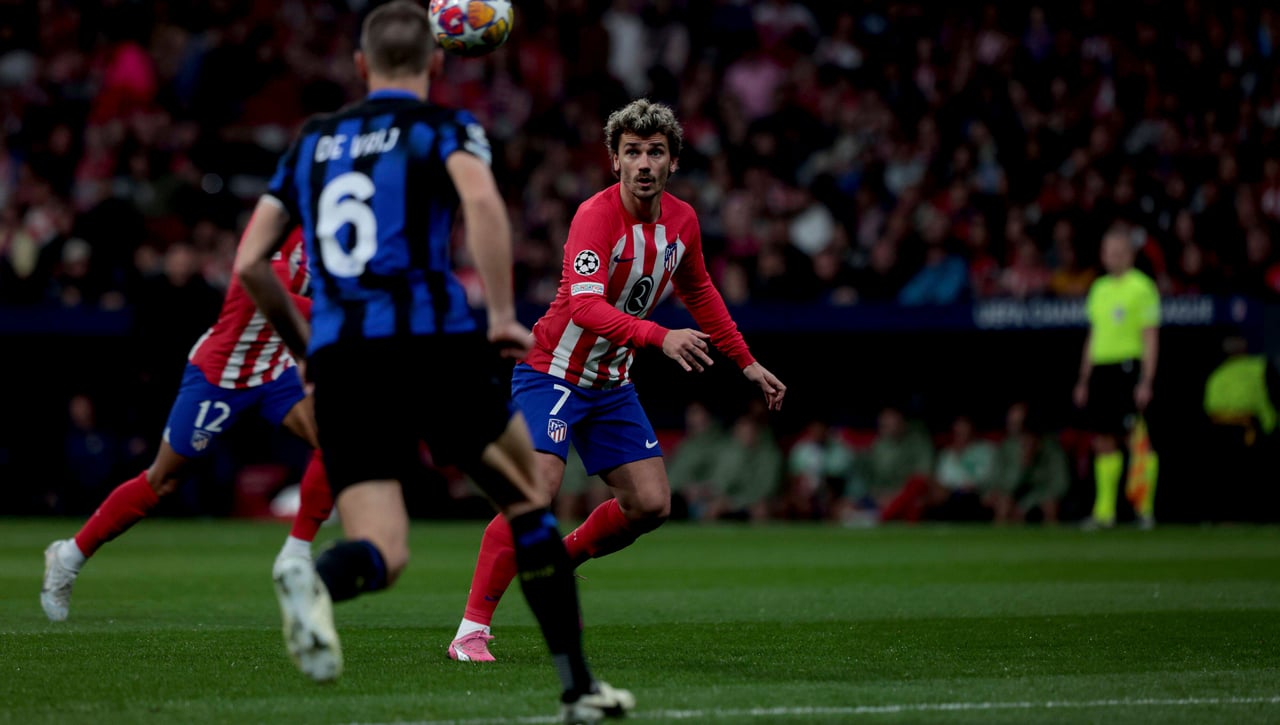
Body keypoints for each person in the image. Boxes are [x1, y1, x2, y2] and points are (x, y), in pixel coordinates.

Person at [232, 4, 632, 721]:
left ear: (361, 66)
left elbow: (252, 262)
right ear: (438, 63)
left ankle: (317, 578)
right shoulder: (444, 128)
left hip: (344, 361)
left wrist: (306, 350)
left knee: (382, 549)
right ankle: (578, 687)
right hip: (431, 345)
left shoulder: (313, 141)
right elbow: (481, 201)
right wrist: (504, 314)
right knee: (528, 503)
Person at [445, 98, 786, 663]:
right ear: (615, 161)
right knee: (536, 493)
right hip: (551, 369)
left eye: (655, 151)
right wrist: (660, 335)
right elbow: (584, 308)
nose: (644, 163)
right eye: (633, 152)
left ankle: (562, 559)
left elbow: (699, 291)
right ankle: (471, 629)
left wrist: (745, 361)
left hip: (610, 383)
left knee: (651, 504)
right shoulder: (594, 216)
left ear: (673, 161)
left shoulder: (683, 222)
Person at [40, 227, 334, 622]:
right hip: (220, 373)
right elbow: (271, 296)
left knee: (336, 441)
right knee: (162, 480)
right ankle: (68, 556)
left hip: (272, 367)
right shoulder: (275, 224)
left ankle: (296, 556)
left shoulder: (329, 222)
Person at [1073, 224, 1161, 529]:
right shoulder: (1099, 289)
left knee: (1135, 438)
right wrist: (1084, 379)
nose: (1114, 258)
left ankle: (1143, 508)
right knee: (1102, 439)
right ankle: (1105, 511)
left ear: (1130, 255)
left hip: (1128, 367)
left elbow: (1150, 337)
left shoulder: (1142, 287)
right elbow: (1093, 336)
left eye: (1119, 252)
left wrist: (1146, 380)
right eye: (1109, 252)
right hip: (1101, 370)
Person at [1201, 334, 1279, 522]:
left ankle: (1243, 516)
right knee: (1240, 477)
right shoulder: (1257, 366)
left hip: (1241, 428)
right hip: (1239, 428)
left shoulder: (1221, 372)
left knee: (1236, 476)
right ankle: (1236, 517)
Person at [986, 401, 1070, 525]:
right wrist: (1023, 465)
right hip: (1014, 496)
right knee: (1003, 505)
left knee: (1050, 506)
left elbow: (1061, 484)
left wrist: (1027, 504)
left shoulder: (1052, 449)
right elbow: (1002, 483)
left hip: (1041, 498)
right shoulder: (1008, 447)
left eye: (1019, 425)